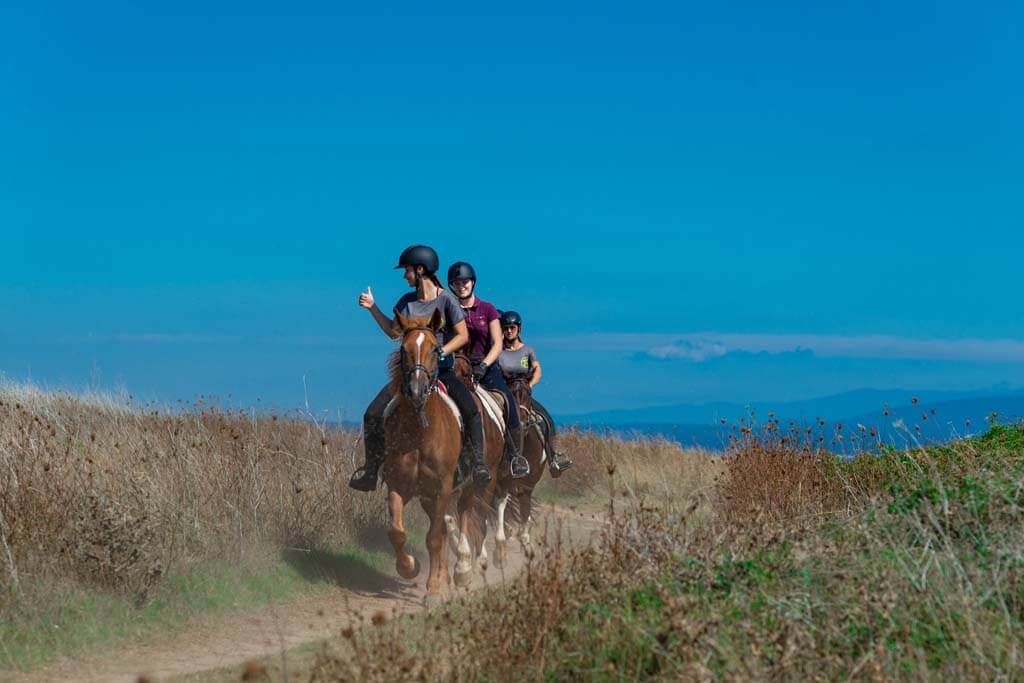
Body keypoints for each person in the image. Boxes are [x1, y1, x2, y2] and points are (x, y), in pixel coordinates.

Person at [349, 245, 491, 492]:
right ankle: (371, 470)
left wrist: (441, 352)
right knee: (372, 414)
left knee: (471, 409)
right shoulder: (407, 302)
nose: (405, 276)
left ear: (420, 269)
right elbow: (393, 332)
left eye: (407, 270)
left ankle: (477, 463)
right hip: (408, 375)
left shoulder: (446, 299)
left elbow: (462, 335)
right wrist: (372, 307)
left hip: (441, 371)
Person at [447, 261, 530, 479]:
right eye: (457, 282)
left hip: (486, 367)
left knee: (510, 403)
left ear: (472, 282)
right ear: (452, 285)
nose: (462, 285)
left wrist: (484, 364)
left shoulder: (488, 309)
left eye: (465, 281)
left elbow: (497, 343)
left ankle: (515, 456)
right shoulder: (448, 309)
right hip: (458, 366)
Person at [498, 310, 573, 475]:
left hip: (524, 392)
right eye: (506, 328)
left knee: (545, 418)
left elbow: (537, 369)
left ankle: (554, 457)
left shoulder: (527, 350)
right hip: (506, 392)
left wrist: (530, 385)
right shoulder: (499, 351)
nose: (509, 331)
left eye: (512, 327)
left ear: (518, 329)